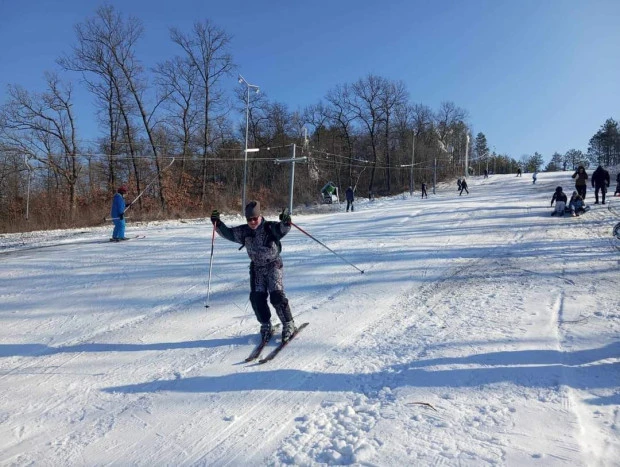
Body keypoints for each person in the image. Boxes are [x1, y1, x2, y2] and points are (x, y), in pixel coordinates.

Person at [210, 201, 297, 342]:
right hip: (257, 267)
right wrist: (217, 223)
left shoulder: (270, 227)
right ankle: (265, 324)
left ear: (260, 216)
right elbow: (229, 234)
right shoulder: (244, 231)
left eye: (254, 218)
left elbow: (283, 228)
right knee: (257, 298)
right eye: (249, 219)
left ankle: (288, 323)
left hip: (273, 265)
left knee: (276, 296)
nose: (252, 221)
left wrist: (286, 220)